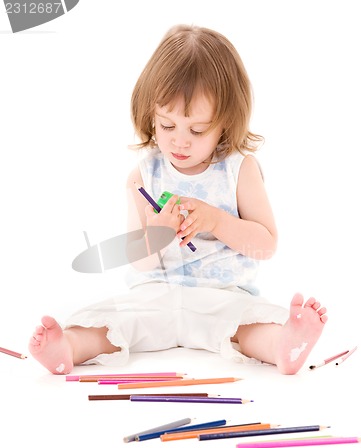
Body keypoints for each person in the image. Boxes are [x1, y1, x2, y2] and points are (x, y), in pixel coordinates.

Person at [29, 24, 327, 376]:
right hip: (154, 295)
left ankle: (283, 346)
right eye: (167, 126)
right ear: (150, 115)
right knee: (112, 320)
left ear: (226, 124)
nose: (179, 143)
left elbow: (266, 244)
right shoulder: (144, 176)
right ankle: (68, 347)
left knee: (247, 325)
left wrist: (216, 221)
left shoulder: (238, 170)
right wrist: (156, 235)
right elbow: (137, 262)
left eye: (197, 130)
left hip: (223, 295)